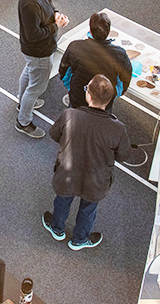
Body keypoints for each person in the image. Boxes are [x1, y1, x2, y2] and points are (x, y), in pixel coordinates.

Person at [42, 75, 132, 250]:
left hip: (67, 173)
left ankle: (57, 228)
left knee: (62, 201)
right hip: (96, 179)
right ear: (109, 100)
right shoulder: (118, 128)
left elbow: (54, 135)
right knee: (88, 209)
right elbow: (123, 156)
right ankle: (80, 239)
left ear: (88, 96)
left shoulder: (70, 115)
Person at [17, 0, 69, 138]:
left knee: (29, 73)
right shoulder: (29, 3)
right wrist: (56, 26)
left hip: (35, 53)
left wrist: (56, 15)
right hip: (38, 51)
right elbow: (34, 35)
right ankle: (23, 122)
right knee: (36, 88)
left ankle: (22, 103)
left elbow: (50, 6)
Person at [58, 12, 131, 110]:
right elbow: (124, 81)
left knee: (74, 117)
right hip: (103, 103)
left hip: (77, 98)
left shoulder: (74, 46)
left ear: (90, 31)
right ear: (109, 31)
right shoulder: (120, 54)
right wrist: (112, 94)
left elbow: (64, 71)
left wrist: (71, 87)